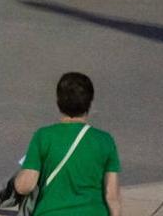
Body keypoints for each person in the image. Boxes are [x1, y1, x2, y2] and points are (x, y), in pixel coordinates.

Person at [13, 73, 122, 216]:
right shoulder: (105, 140)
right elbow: (112, 196)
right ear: (90, 102)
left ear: (58, 101)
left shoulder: (44, 136)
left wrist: (16, 180)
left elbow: (25, 187)